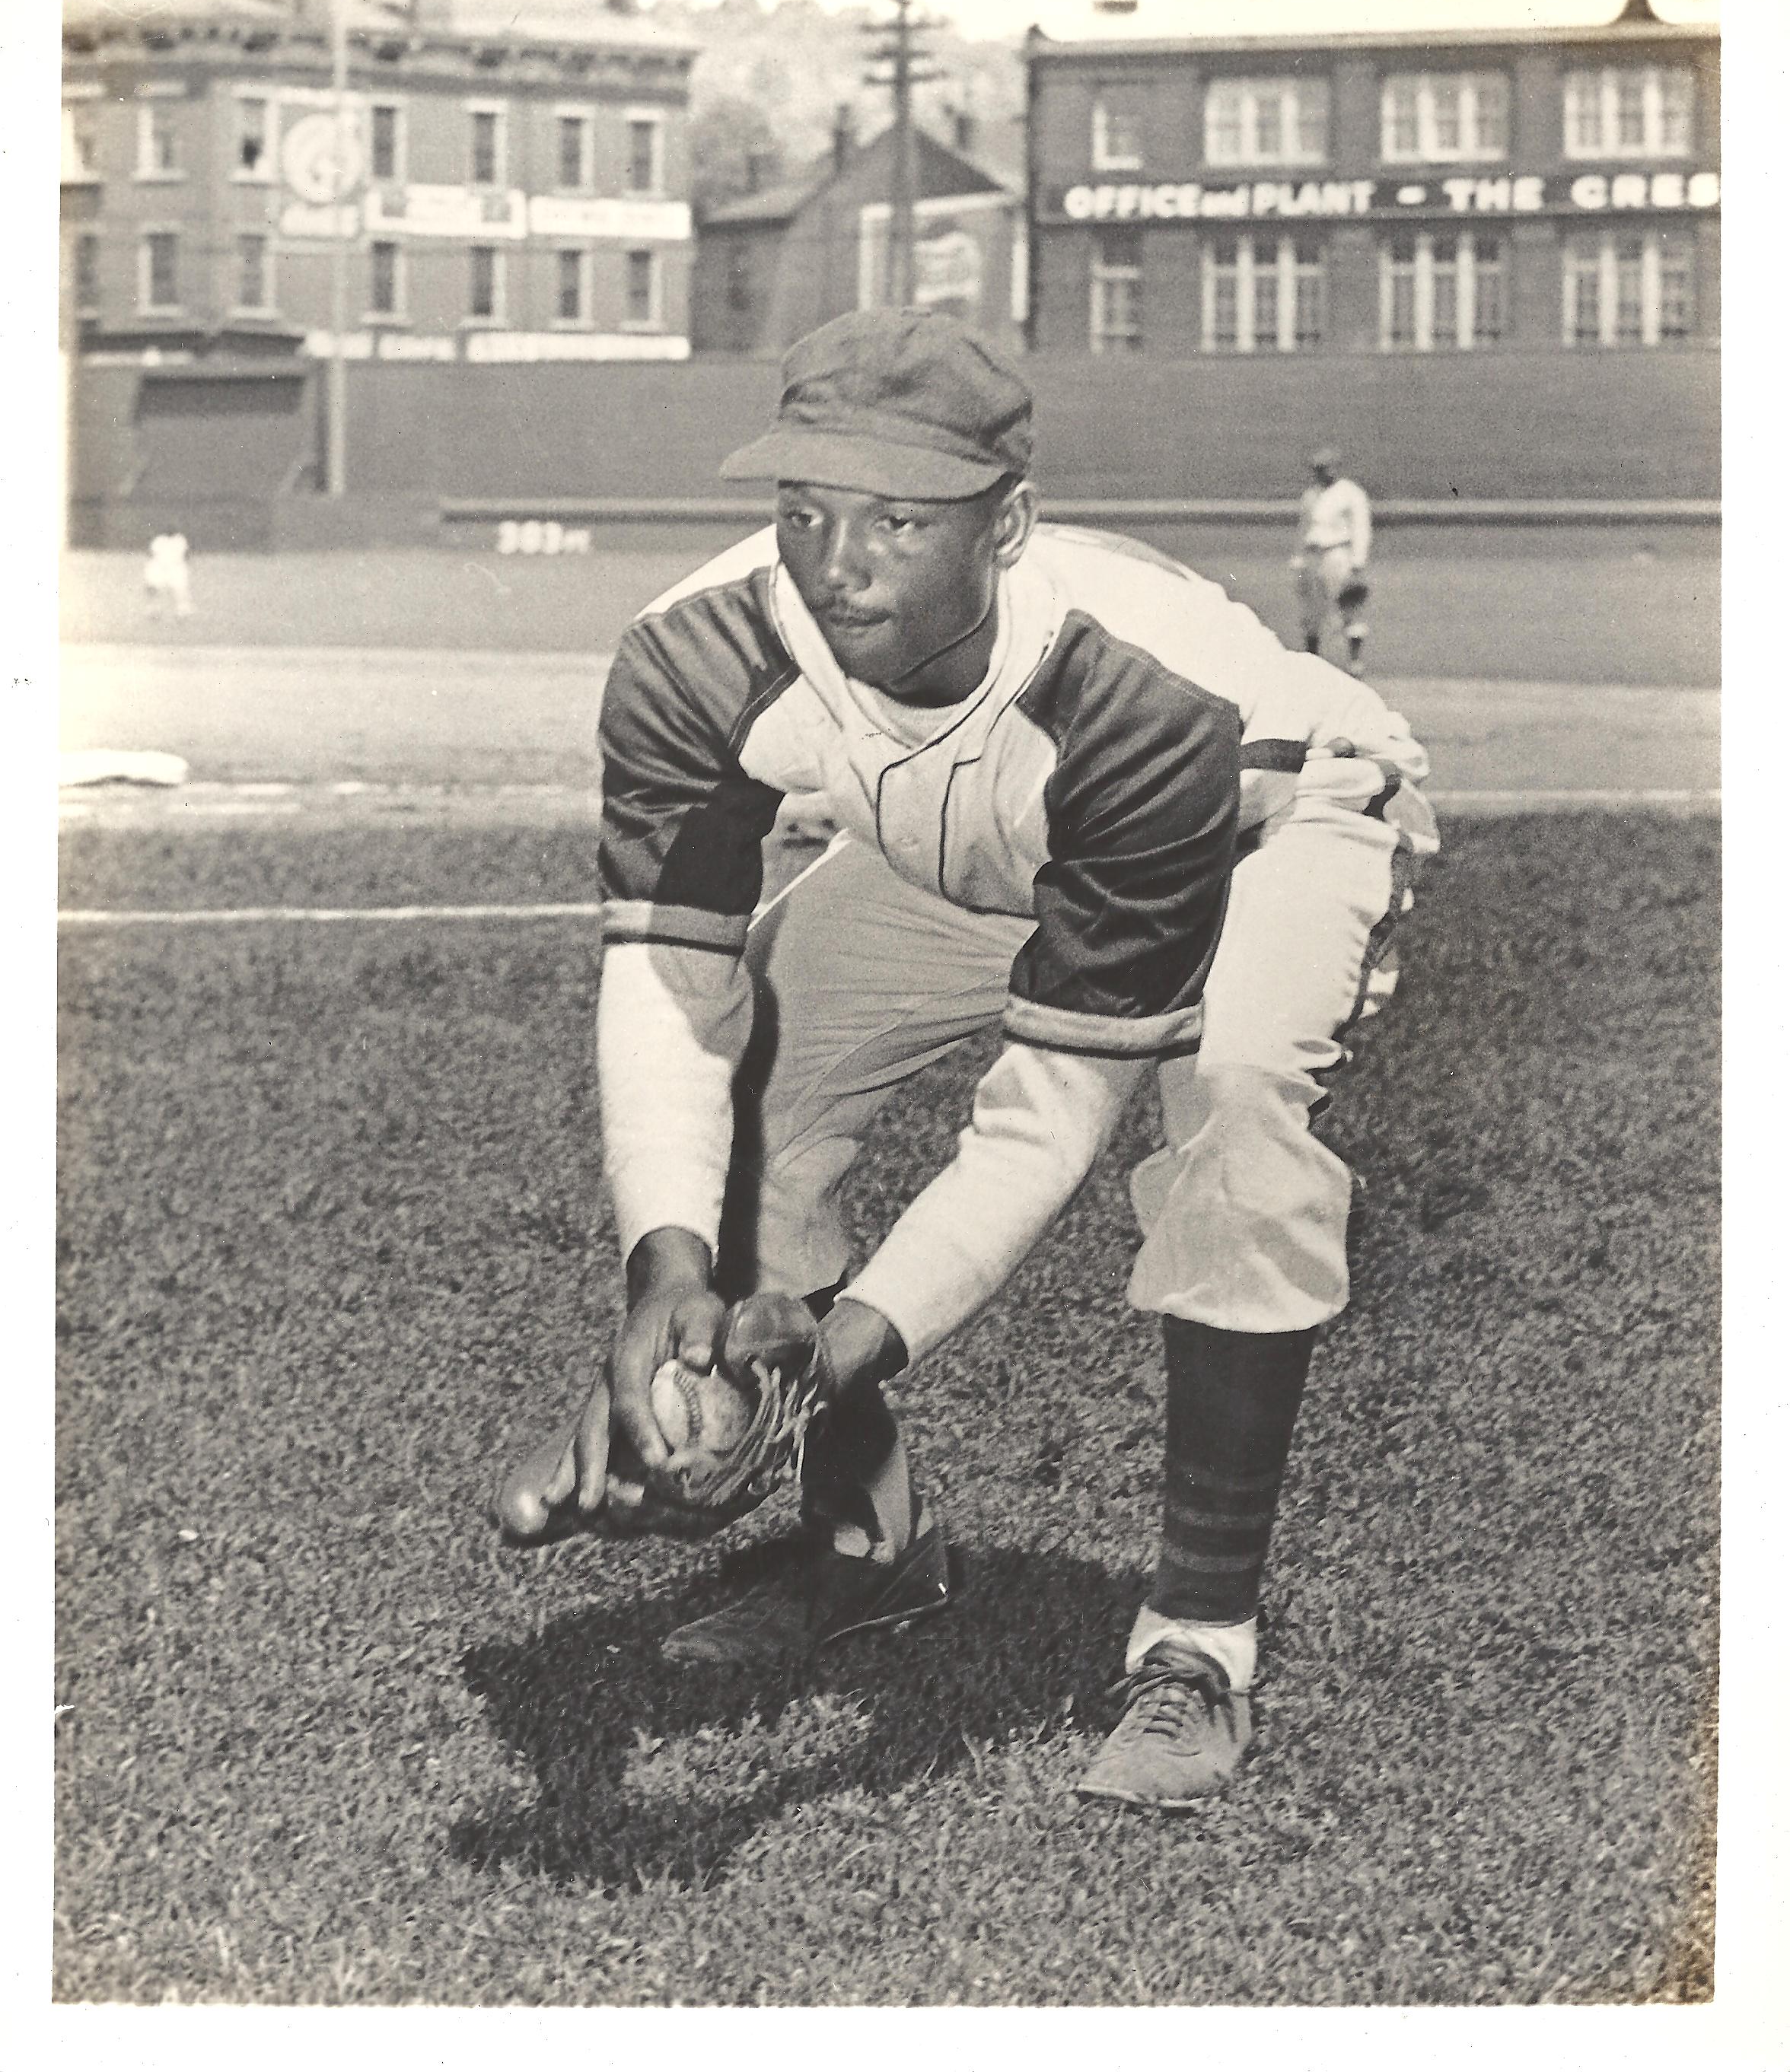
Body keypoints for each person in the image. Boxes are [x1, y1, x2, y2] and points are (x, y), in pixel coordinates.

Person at [498, 309, 1438, 1813]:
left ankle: (1198, 1637)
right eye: (802, 510)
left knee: (1236, 1115)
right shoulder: (698, 649)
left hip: (1267, 815)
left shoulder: (1142, 691)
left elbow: (1046, 1116)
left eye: (900, 517)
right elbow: (674, 980)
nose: (838, 560)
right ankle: (868, 1552)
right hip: (968, 850)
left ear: (1009, 526)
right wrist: (666, 1267)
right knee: (756, 1113)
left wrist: (842, 1348)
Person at [1292, 447, 1371, 676]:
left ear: (1336, 468)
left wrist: (1358, 562)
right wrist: (1299, 558)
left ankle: (1355, 663)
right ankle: (1311, 664)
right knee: (1312, 611)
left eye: (1326, 467)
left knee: (1349, 608)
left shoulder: (1350, 493)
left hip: (1339, 555)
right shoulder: (1310, 495)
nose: (1322, 472)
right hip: (1313, 557)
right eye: (1318, 469)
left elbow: (1361, 528)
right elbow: (1304, 529)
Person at [144, 527, 193, 620]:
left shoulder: (180, 540)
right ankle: (154, 611)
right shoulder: (160, 540)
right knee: (154, 589)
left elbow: (187, 554)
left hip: (175, 568)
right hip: (161, 567)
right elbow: (151, 554)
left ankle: (182, 612)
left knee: (180, 590)